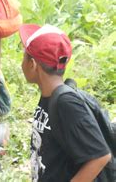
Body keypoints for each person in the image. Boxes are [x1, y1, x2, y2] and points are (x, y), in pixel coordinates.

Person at [19, 24, 111, 181]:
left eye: (24, 55)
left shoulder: (66, 103)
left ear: (33, 64)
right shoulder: (49, 96)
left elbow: (100, 157)